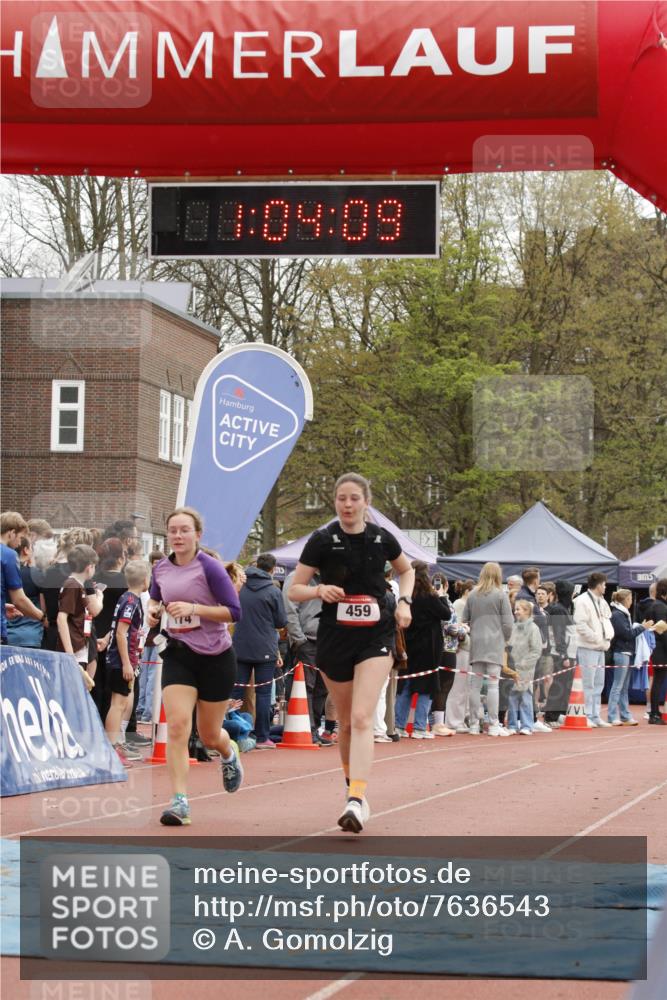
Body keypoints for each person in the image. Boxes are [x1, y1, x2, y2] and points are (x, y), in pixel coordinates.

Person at [287, 473, 414, 833]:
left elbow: (407, 572)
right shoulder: (322, 540)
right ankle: (351, 786)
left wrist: (404, 602)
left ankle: (356, 799)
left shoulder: (380, 537)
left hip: (376, 634)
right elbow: (294, 589)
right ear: (334, 502)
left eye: (354, 498)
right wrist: (319, 590)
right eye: (341, 498)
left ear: (366, 502)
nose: (347, 504)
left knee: (361, 717)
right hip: (335, 636)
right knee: (344, 722)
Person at [147, 507, 243, 826]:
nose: (177, 535)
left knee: (210, 734)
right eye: (172, 530)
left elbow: (234, 612)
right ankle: (179, 802)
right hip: (179, 653)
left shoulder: (211, 568)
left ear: (197, 535)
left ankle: (228, 753)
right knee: (176, 726)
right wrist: (153, 612)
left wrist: (194, 609)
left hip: (216, 656)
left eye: (184, 530)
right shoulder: (160, 569)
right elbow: (155, 599)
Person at [231, 553, 287, 749]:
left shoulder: (240, 586)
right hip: (265, 647)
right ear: (272, 570)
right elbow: (281, 621)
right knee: (263, 694)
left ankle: (235, 733)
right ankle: (263, 736)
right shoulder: (273, 591)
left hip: (239, 645)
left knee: (236, 690)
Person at [394, 561, 451, 740]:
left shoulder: (406, 596)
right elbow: (446, 614)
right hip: (429, 648)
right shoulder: (430, 595)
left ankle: (399, 725)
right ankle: (419, 727)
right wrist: (442, 595)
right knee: (427, 687)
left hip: (409, 645)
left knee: (406, 685)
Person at [104, 560, 150, 765]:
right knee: (118, 703)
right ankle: (111, 747)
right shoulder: (130, 601)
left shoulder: (128, 597)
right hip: (121, 659)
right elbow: (121, 633)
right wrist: (126, 663)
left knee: (126, 700)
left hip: (128, 657)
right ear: (145, 580)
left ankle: (118, 742)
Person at [462, 562, 514, 736]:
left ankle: (474, 724)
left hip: (476, 644)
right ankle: (493, 724)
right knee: (493, 686)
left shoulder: (472, 594)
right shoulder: (501, 595)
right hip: (494, 644)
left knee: (475, 686)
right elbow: (508, 623)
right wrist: (505, 638)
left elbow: (465, 620)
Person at [56, 544, 103, 692]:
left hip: (80, 646)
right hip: (74, 650)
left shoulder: (78, 585)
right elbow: (61, 618)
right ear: (89, 567)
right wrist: (70, 653)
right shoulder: (72, 585)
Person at [573, 572, 613, 727]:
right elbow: (580, 624)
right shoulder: (582, 601)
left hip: (600, 647)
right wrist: (596, 638)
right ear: (598, 585)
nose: (605, 587)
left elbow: (605, 620)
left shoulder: (601, 601)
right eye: (604, 584)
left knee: (598, 683)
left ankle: (595, 714)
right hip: (587, 646)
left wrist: (606, 637)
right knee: (587, 683)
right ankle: (586, 714)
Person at [608, 589, 652, 725]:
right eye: (630, 599)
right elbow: (626, 634)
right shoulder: (617, 615)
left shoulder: (623, 614)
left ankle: (625, 715)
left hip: (627, 652)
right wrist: (642, 627)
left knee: (624, 687)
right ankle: (612, 716)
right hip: (621, 653)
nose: (632, 602)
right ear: (626, 600)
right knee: (617, 686)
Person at [1, 511, 46, 644]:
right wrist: (42, 618)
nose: (20, 542)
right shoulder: (8, 555)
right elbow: (19, 599)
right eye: (20, 537)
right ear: (11, 533)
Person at [505, 600, 544, 735]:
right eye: (515, 609)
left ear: (527, 611)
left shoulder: (533, 628)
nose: (515, 612)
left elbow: (536, 650)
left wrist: (523, 664)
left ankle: (527, 725)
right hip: (512, 667)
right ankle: (512, 724)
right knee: (512, 696)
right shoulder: (514, 627)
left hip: (526, 668)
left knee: (526, 695)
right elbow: (509, 645)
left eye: (518, 609)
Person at [5, 536, 45, 649]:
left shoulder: (3, 573)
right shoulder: (37, 575)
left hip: (5, 635)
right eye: (31, 548)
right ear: (26, 550)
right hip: (30, 637)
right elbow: (44, 607)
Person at [444, 580, 473, 733]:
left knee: (464, 687)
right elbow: (458, 627)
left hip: (466, 647)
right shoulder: (460, 604)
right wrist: (463, 639)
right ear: (468, 590)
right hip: (461, 648)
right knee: (458, 687)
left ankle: (459, 719)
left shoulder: (464, 605)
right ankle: (454, 721)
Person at [646, 579, 667, 725]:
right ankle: (653, 713)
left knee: (658, 681)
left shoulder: (658, 605)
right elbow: (662, 631)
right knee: (658, 681)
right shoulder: (660, 607)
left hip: (658, 648)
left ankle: (654, 711)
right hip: (660, 649)